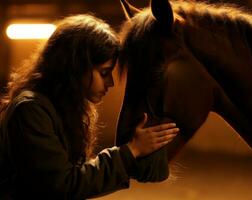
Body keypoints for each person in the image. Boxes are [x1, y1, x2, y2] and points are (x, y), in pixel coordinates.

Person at [0, 14, 179, 199]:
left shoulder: (60, 108)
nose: (110, 83)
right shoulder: (30, 110)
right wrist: (131, 151)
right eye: (104, 73)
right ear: (76, 66)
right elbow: (63, 185)